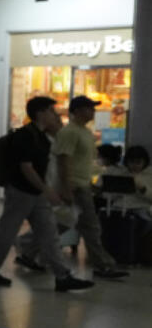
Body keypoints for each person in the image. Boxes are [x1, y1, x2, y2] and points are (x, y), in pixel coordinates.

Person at [0, 97, 93, 291]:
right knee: (6, 232)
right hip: (21, 192)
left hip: (35, 193)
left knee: (49, 233)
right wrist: (47, 190)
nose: (55, 115)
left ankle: (63, 275)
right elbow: (26, 168)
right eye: (51, 111)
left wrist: (45, 190)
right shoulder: (26, 136)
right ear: (40, 113)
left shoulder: (41, 136)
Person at [53, 95, 129, 279]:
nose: (93, 111)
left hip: (82, 185)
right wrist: (66, 186)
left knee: (63, 224)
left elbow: (84, 161)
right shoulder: (70, 132)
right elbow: (63, 160)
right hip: (74, 185)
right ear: (78, 111)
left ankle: (27, 246)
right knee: (91, 226)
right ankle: (103, 265)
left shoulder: (85, 133)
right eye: (90, 108)